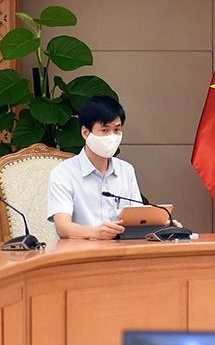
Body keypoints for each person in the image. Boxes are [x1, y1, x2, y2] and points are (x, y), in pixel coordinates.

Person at [46, 95, 143, 240]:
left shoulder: (126, 170)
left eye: (117, 130)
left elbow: (138, 220)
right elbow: (63, 228)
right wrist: (96, 233)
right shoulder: (62, 173)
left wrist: (161, 226)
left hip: (120, 250)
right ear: (85, 133)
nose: (112, 137)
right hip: (80, 251)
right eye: (104, 130)